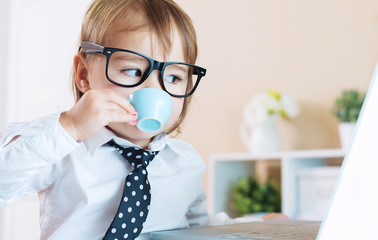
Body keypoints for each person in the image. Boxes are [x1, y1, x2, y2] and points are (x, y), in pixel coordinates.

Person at [0, 0, 208, 239]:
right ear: (84, 74)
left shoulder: (186, 162)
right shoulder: (62, 147)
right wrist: (69, 127)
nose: (156, 90)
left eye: (173, 78)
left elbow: (201, 228)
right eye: (133, 71)